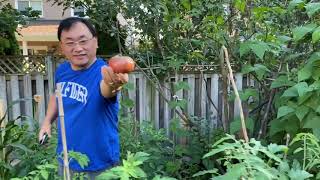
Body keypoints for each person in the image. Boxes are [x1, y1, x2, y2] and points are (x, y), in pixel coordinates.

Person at [38, 17, 128, 179]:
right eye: (70, 42)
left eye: (83, 41)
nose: (78, 48)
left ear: (96, 42)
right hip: (66, 157)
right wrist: (47, 122)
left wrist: (112, 85)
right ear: (62, 47)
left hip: (100, 165)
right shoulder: (62, 71)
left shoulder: (104, 72)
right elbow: (56, 95)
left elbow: (106, 90)